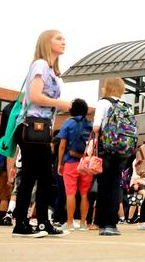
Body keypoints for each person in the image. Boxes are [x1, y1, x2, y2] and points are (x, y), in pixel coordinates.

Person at [9, 30, 72, 237]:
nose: (64, 42)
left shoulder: (50, 70)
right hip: (31, 126)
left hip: (40, 129)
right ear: (47, 42)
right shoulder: (41, 65)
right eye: (58, 38)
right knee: (38, 177)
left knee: (39, 176)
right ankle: (25, 224)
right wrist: (60, 104)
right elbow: (35, 96)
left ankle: (40, 222)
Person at [92, 77, 133, 236]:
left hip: (106, 149)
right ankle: (112, 223)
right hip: (122, 151)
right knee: (116, 186)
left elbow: (96, 127)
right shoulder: (127, 106)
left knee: (103, 186)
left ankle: (102, 223)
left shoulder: (103, 103)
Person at [56, 98, 93, 231]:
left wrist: (60, 163)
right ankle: (83, 223)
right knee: (84, 194)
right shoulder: (90, 124)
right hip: (86, 164)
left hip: (70, 162)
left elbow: (62, 146)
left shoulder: (68, 124)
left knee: (70, 193)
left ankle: (70, 222)